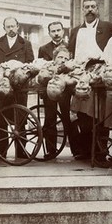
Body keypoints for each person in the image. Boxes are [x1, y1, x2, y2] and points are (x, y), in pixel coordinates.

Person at [68, 0, 112, 168]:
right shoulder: (75, 31)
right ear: (82, 10)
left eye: (93, 7)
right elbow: (70, 54)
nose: (90, 10)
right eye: (86, 7)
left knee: (99, 115)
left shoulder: (108, 27)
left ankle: (100, 152)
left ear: (98, 9)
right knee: (82, 116)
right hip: (80, 76)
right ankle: (85, 150)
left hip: (99, 77)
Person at [0, 16, 34, 161]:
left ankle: (22, 152)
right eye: (8, 26)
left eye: (13, 26)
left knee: (21, 118)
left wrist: (20, 71)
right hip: (2, 87)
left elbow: (31, 64)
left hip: (20, 87)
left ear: (18, 26)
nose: (11, 29)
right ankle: (2, 153)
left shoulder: (25, 43)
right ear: (4, 28)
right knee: (1, 119)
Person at [38, 22, 79, 159]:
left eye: (58, 30)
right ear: (49, 33)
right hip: (49, 88)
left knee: (69, 117)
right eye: (53, 31)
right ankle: (51, 150)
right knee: (50, 118)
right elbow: (40, 69)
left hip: (66, 88)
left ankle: (76, 150)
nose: (56, 33)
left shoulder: (70, 47)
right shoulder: (43, 49)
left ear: (63, 31)